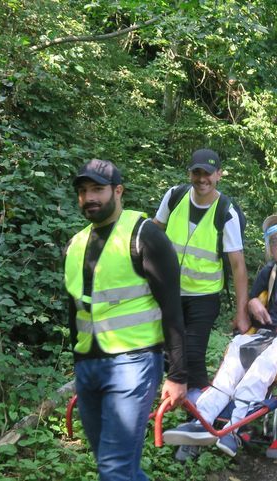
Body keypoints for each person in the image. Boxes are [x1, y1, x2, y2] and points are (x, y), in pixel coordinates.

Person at [163, 215, 277, 457]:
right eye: (275, 242)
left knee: (258, 371)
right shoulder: (269, 271)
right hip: (264, 334)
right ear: (269, 248)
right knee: (230, 366)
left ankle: (233, 431)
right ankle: (202, 424)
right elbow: (253, 297)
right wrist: (253, 304)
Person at [65, 159, 187, 481]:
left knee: (114, 468)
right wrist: (78, 360)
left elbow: (173, 309)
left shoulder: (144, 235)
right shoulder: (75, 244)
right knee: (119, 466)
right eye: (83, 191)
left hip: (133, 363)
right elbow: (74, 309)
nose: (89, 197)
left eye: (97, 189)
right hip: (88, 365)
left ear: (118, 191)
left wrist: (178, 374)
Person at [154, 148, 250, 390]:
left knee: (193, 356)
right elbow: (153, 234)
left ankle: (201, 415)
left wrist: (241, 313)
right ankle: (198, 409)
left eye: (207, 173)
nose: (202, 178)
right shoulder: (174, 196)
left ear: (218, 175)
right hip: (170, 292)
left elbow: (238, 265)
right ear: (190, 174)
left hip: (203, 298)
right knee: (168, 356)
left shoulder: (226, 212)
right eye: (197, 172)